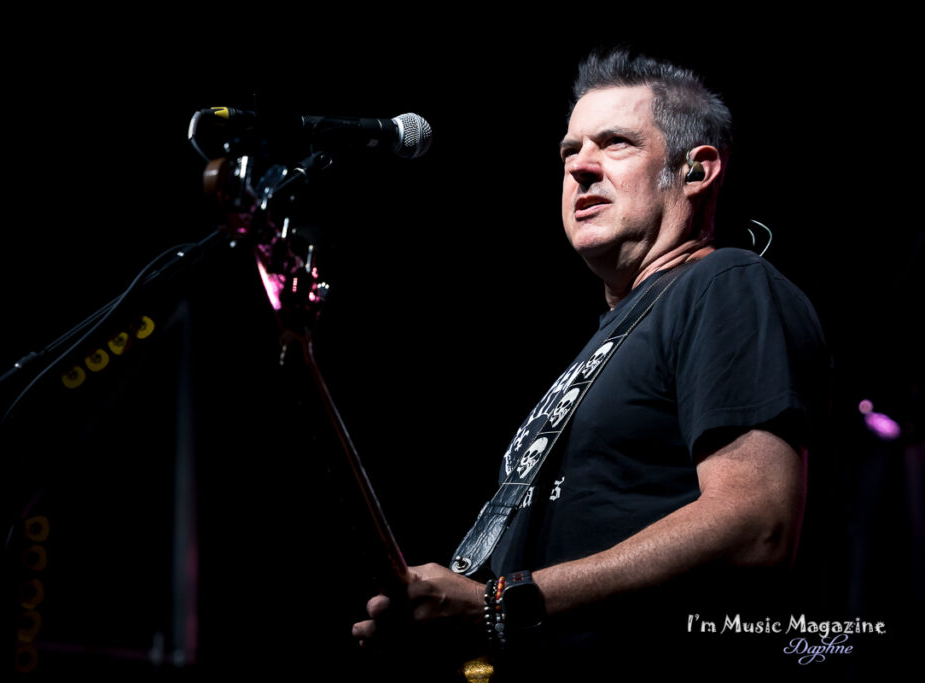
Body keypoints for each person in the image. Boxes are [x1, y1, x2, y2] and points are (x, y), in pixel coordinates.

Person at [352, 49, 829, 680]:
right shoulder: (614, 337)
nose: (579, 166)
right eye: (569, 151)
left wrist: (500, 605)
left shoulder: (725, 283)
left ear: (696, 170)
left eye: (616, 143)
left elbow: (756, 525)